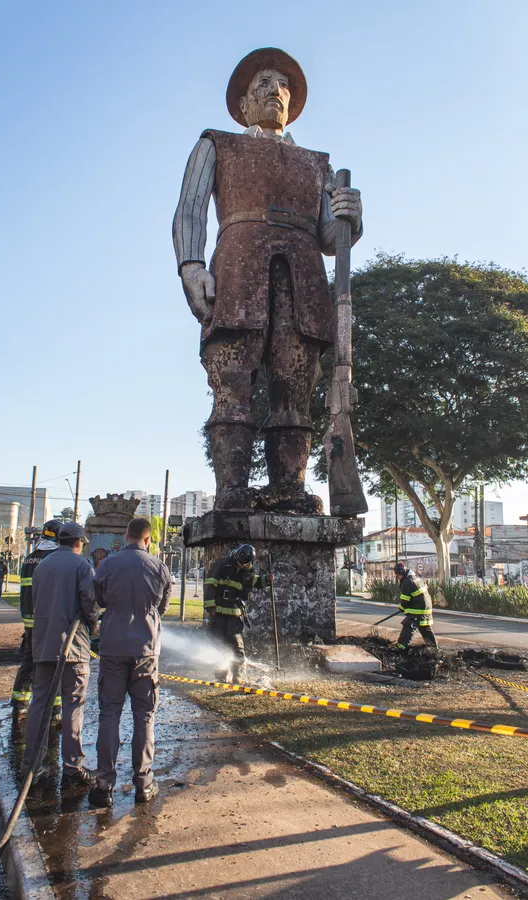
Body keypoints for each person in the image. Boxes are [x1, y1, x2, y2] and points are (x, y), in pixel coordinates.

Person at [173, 48, 363, 515]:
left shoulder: (317, 164)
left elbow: (327, 237)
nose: (273, 90)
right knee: (231, 380)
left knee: (295, 386)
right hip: (238, 271)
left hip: (302, 278)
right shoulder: (218, 143)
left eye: (282, 85)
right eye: (262, 82)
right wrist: (191, 265)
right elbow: (190, 208)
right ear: (242, 105)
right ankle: (233, 490)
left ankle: (289, 490)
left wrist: (349, 221)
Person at [88, 517, 171, 809]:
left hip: (112, 647)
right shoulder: (159, 567)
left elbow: (97, 599)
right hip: (145, 650)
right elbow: (163, 606)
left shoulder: (107, 565)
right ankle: (143, 783)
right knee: (144, 717)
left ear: (126, 536)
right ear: (147, 540)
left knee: (109, 714)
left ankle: (104, 785)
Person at [21, 522, 100, 786]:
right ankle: (73, 768)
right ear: (79, 542)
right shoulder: (81, 566)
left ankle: (32, 766)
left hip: (42, 645)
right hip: (73, 648)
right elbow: (89, 601)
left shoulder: (42, 566)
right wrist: (95, 623)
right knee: (73, 707)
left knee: (39, 706)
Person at [11, 520, 62, 714]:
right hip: (49, 619)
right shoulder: (55, 558)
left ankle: (19, 703)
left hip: (29, 619)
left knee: (29, 662)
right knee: (55, 664)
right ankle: (55, 708)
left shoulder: (30, 558)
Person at [203, 543, 272, 683]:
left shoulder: (248, 569)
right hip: (218, 612)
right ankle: (221, 673)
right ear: (236, 556)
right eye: (240, 563)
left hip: (234, 613)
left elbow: (254, 582)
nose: (241, 566)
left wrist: (267, 580)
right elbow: (210, 585)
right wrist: (210, 607)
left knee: (237, 646)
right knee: (217, 642)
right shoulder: (222, 564)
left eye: (245, 564)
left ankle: (238, 676)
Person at [393, 562, 438, 650]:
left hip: (418, 608)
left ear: (402, 573)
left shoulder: (407, 581)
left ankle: (401, 646)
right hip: (426, 606)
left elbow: (405, 599)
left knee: (409, 624)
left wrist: (401, 608)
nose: (398, 577)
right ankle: (433, 647)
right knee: (424, 627)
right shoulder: (415, 578)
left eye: (398, 575)